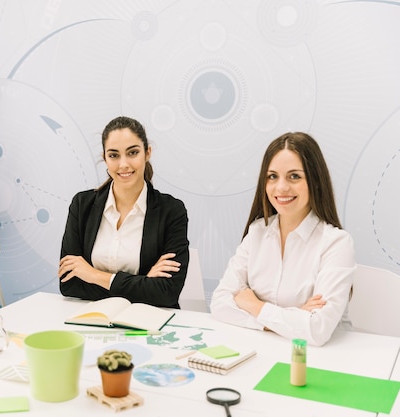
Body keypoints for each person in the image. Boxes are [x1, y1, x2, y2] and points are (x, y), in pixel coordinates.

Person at [210, 132, 355, 346]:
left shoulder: (336, 243)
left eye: (294, 176)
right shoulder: (257, 232)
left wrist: (255, 306)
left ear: (315, 181)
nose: (281, 188)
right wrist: (293, 317)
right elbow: (220, 304)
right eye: (272, 176)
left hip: (323, 361)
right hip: (265, 351)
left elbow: (317, 330)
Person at [58, 116, 189, 308]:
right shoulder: (82, 205)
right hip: (93, 318)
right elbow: (70, 284)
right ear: (104, 158)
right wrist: (144, 281)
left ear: (147, 153)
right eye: (114, 155)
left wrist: (93, 275)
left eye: (133, 153)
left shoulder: (171, 211)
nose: (123, 164)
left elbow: (166, 292)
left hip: (148, 322)